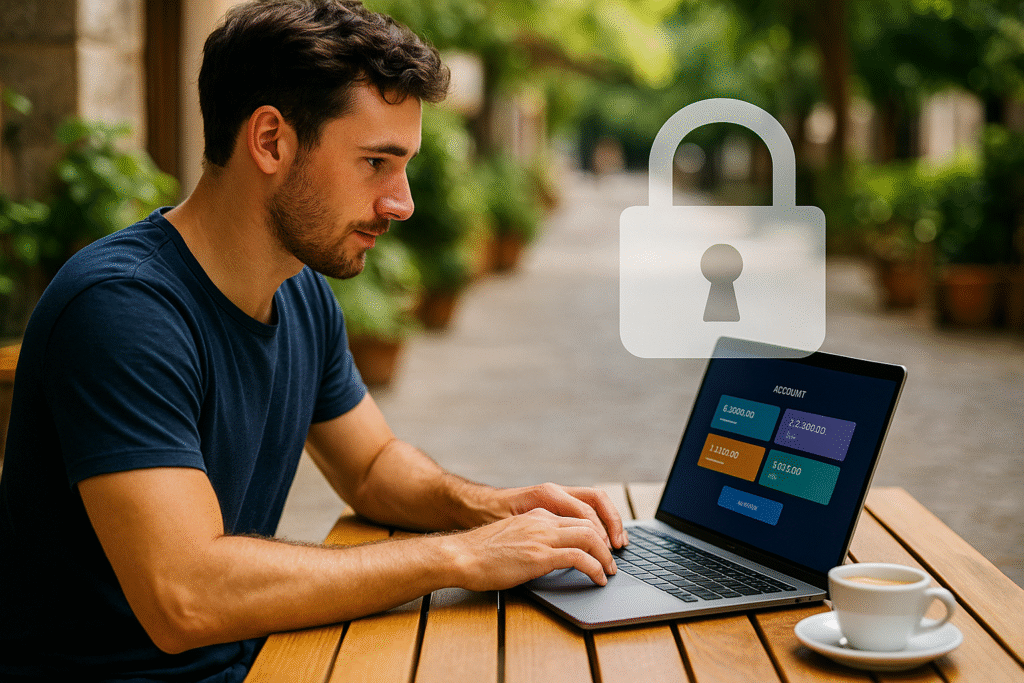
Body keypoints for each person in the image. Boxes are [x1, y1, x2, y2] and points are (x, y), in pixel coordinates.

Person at [0, 1, 626, 680]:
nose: (402, 201)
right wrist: (462, 556)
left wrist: (494, 507)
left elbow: (371, 465)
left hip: (257, 657)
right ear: (270, 140)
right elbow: (184, 595)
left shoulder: (299, 292)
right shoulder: (121, 309)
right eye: (376, 162)